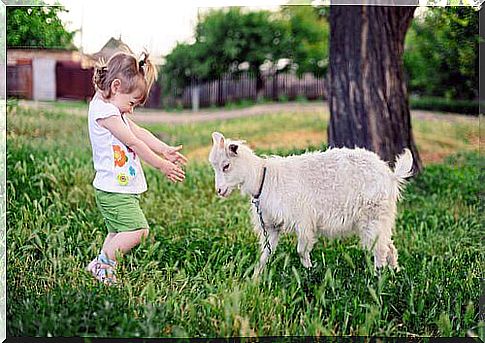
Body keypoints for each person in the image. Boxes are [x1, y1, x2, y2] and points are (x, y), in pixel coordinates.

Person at [86, 51, 188, 285]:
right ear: (116, 85)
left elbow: (139, 132)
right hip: (112, 190)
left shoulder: (112, 108)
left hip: (117, 188)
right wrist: (161, 165)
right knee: (138, 229)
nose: (131, 109)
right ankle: (103, 265)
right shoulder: (104, 112)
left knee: (116, 233)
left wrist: (164, 149)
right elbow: (133, 142)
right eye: (131, 102)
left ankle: (100, 266)